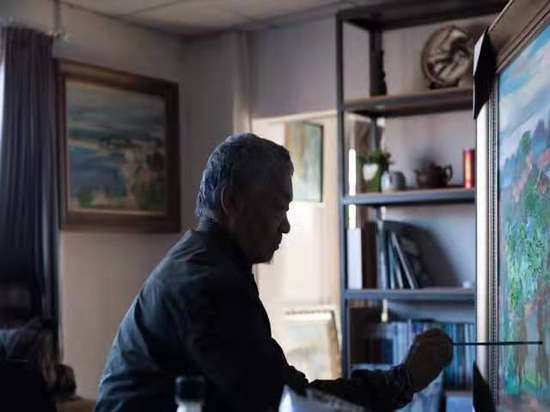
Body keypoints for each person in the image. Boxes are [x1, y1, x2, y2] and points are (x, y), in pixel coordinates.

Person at [95, 133, 453, 412]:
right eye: (278, 207)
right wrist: (404, 380)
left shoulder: (203, 261)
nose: (285, 226)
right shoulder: (209, 283)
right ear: (231, 202)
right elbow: (289, 402)